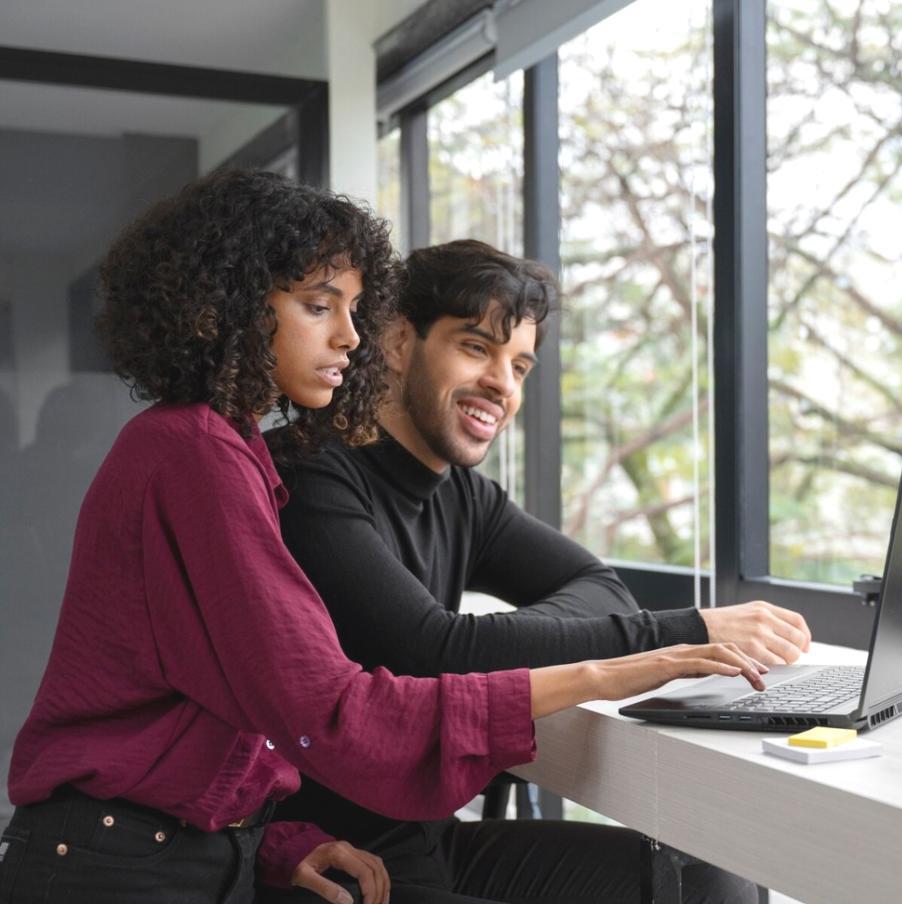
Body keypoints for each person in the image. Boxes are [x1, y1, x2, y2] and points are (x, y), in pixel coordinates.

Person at [0, 172, 763, 904]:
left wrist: (274, 844)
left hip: (192, 854)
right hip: (116, 871)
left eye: (355, 310)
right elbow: (332, 708)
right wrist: (603, 670)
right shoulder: (200, 455)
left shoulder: (218, 448)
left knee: (703, 880)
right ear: (225, 306)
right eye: (318, 305)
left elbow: (228, 708)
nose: (349, 337)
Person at [267, 239, 812, 903]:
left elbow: (598, 587)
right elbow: (427, 649)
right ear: (400, 342)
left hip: (429, 839)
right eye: (475, 348)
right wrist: (685, 631)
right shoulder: (307, 475)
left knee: (710, 880)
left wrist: (493, 644)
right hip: (327, 861)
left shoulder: (464, 496)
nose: (502, 384)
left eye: (519, 365)